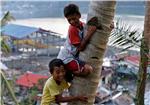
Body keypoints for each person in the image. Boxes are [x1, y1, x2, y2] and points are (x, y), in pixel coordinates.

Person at [57, 4, 98, 82]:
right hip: (67, 58)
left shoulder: (82, 25)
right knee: (88, 70)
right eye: (69, 20)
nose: (72, 21)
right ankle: (67, 72)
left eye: (73, 18)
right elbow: (80, 48)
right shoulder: (72, 29)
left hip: (73, 57)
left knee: (89, 69)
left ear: (79, 15)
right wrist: (90, 32)